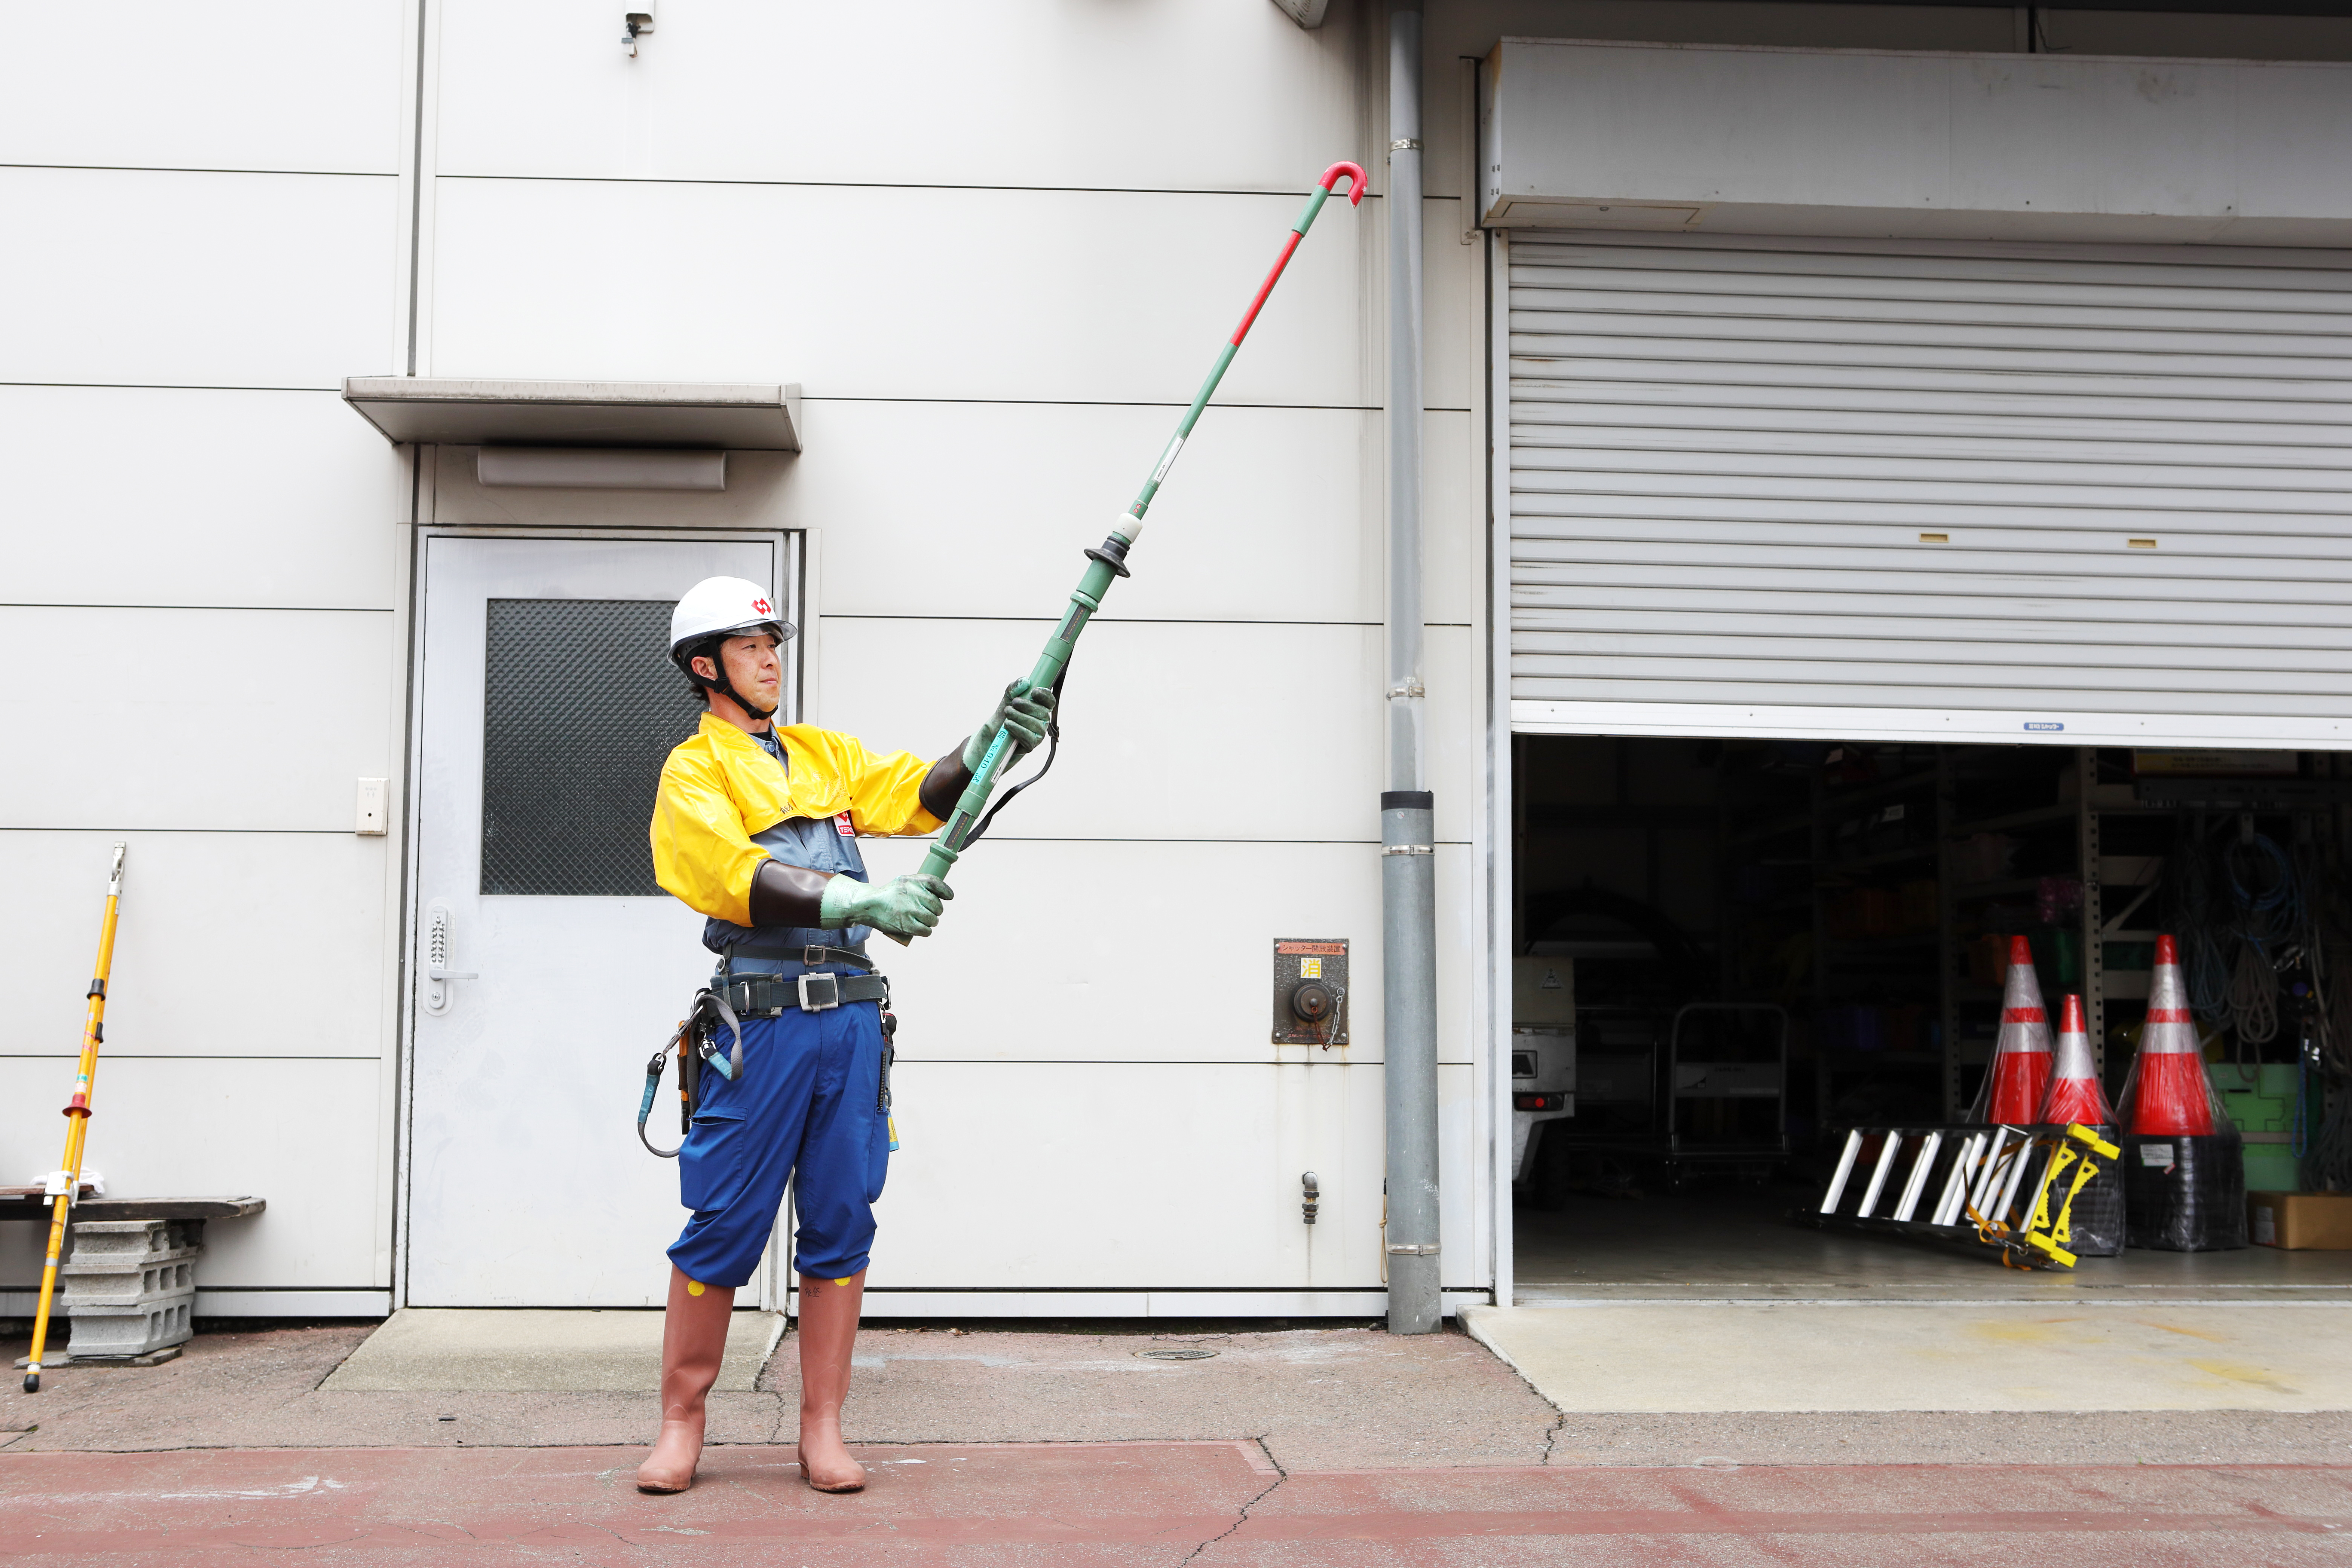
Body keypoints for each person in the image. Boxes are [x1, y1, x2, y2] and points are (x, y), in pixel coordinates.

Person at [636, 576, 1051, 1495]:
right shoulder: (692, 771)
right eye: (749, 648)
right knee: (723, 1223)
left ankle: (821, 1428)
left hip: (852, 1023)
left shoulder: (823, 754)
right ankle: (680, 1423)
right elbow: (728, 872)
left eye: (773, 642)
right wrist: (861, 896)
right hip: (761, 1027)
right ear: (706, 668)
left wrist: (993, 736)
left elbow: (925, 795)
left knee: (842, 1220)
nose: (771, 658)